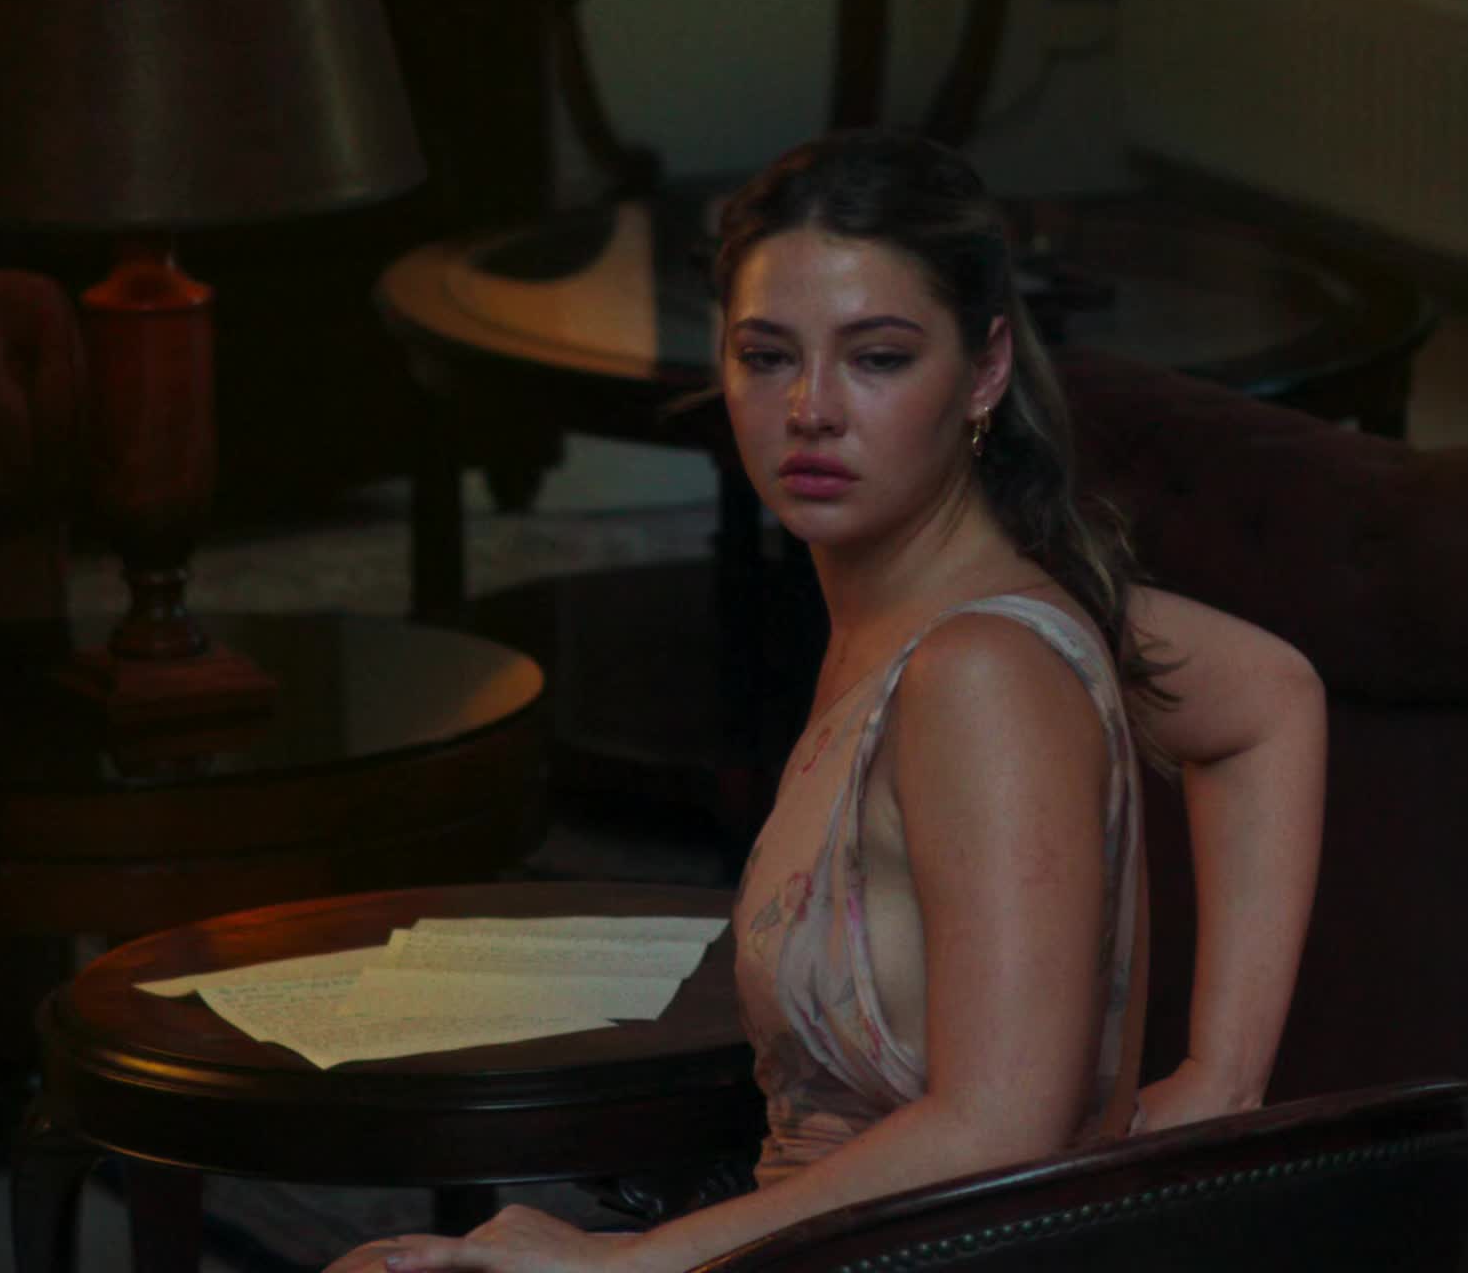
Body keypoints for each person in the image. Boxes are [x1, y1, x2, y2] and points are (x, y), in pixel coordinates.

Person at [334, 132, 1328, 1273]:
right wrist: (1219, 1075)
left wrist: (631, 1262)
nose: (810, 407)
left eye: (879, 357)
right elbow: (1270, 695)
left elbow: (1002, 1127)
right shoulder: (968, 611)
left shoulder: (981, 674)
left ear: (986, 371)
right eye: (766, 356)